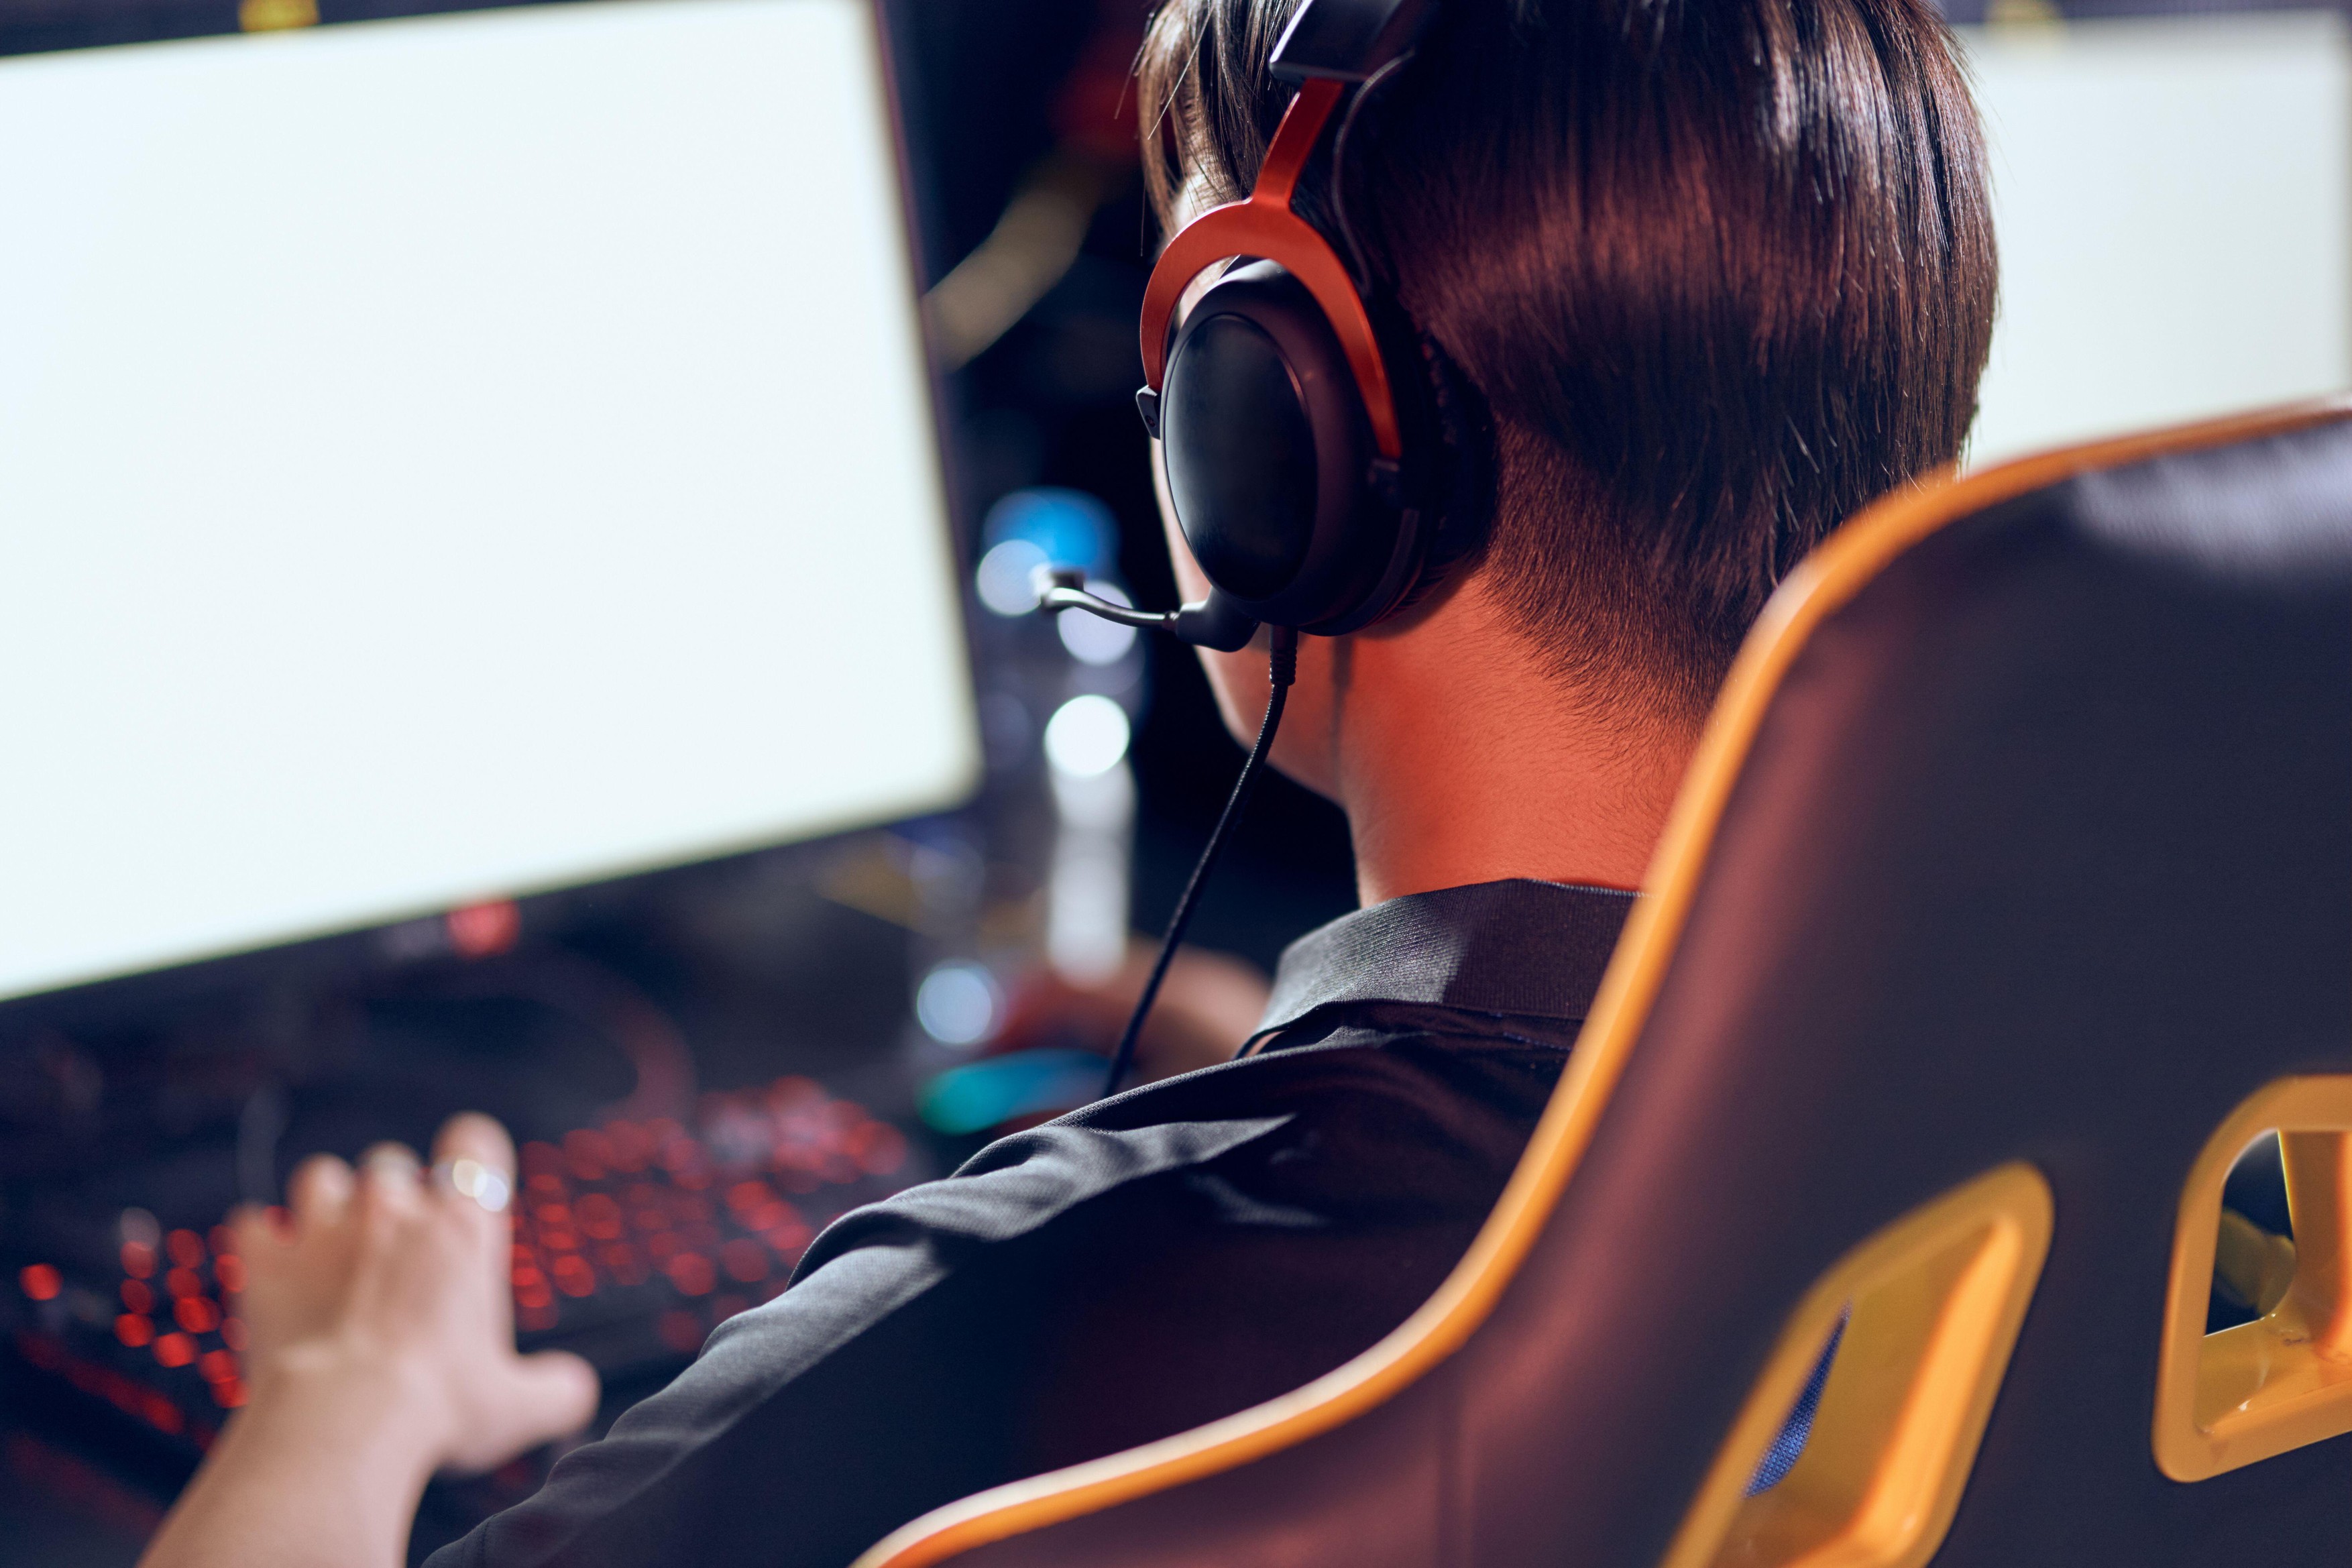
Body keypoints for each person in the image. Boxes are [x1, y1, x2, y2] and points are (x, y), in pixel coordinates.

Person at [137, 0, 1996, 1563]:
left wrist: (338, 1398)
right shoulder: (2105, 1083)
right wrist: (1303, 1067)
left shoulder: (1039, 1308)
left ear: (1279, 438)